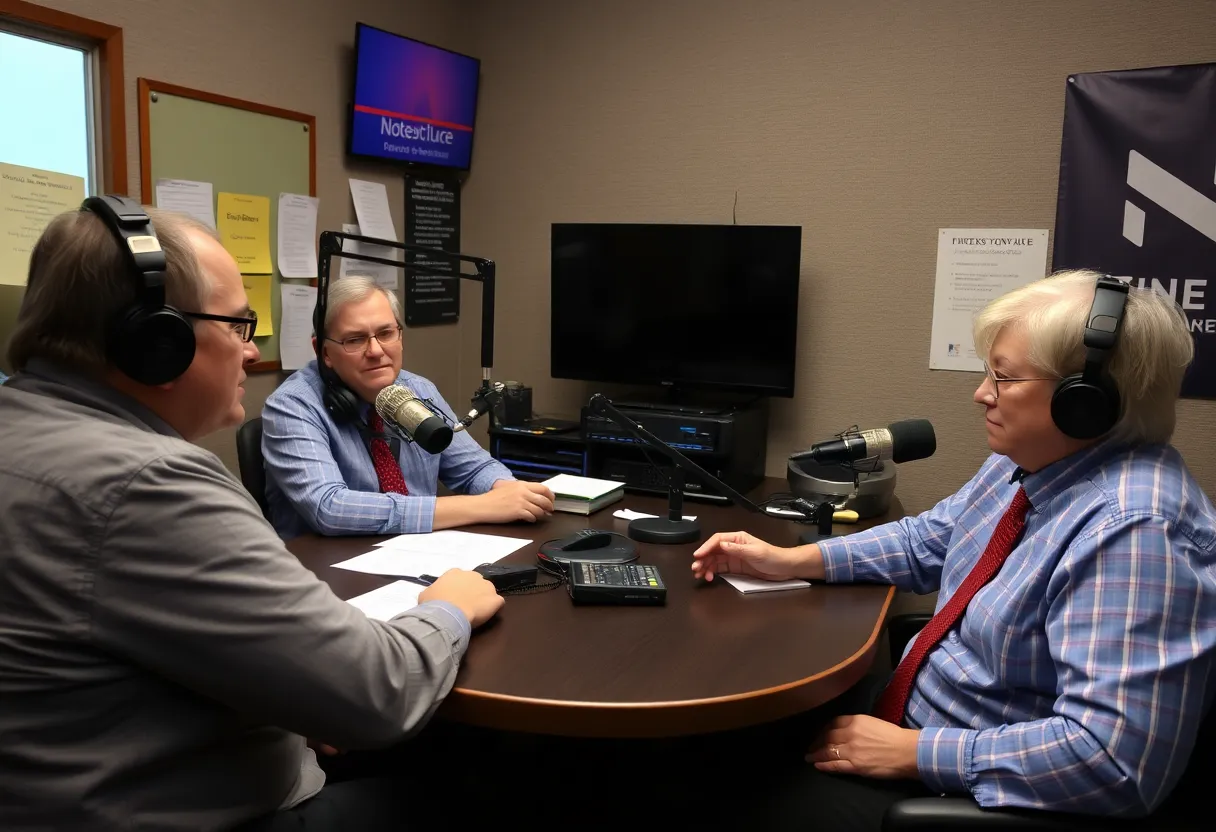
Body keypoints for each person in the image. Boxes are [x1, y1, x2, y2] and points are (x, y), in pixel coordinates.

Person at [0, 198, 504, 831]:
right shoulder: (152, 483)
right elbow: (381, 693)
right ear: (157, 342)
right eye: (239, 325)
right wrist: (450, 607)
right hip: (198, 810)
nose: (251, 351)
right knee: (491, 787)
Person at [691, 270, 1216, 829]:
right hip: (914, 714)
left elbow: (1113, 762)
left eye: (1004, 377)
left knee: (715, 796)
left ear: (1084, 402)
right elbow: (934, 536)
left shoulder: (1135, 534)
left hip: (956, 790)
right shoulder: (1030, 462)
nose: (981, 393)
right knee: (716, 742)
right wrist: (794, 560)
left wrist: (913, 754)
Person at [261, 275, 554, 539]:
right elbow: (330, 508)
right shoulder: (292, 406)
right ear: (323, 352)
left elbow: (474, 468)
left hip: (415, 554)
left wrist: (505, 490)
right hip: (327, 572)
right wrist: (481, 506)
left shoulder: (418, 390)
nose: (375, 351)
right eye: (355, 339)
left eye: (386, 333)